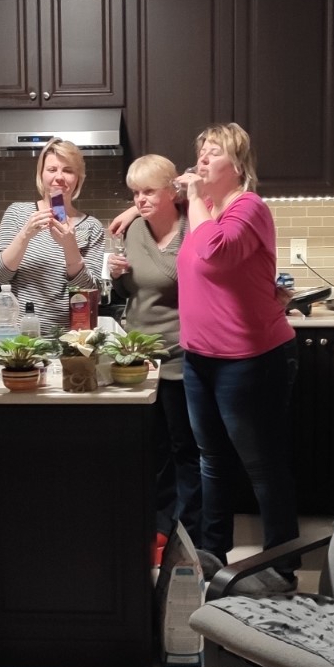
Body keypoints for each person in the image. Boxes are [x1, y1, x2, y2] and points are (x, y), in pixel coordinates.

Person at [174, 122, 299, 593]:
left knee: (262, 466)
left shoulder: (250, 208)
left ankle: (282, 564)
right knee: (211, 461)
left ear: (239, 165)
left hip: (249, 358)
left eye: (214, 152)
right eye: (201, 151)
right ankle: (214, 555)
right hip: (199, 358)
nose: (202, 159)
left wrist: (193, 199)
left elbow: (215, 253)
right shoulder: (205, 211)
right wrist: (133, 211)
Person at [107, 154, 200, 546]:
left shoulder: (193, 225)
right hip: (139, 358)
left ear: (171, 191)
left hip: (181, 355)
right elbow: (131, 292)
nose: (140, 200)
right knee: (153, 447)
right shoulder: (133, 230)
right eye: (135, 193)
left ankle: (190, 531)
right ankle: (161, 526)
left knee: (185, 448)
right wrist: (117, 276)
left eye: (148, 192)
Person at [0, 138, 106, 337]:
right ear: (41, 174)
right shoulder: (18, 213)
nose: (59, 177)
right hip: (18, 338)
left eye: (68, 170)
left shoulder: (91, 226)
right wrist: (25, 235)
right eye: (52, 169)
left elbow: (91, 294)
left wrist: (70, 247)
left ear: (78, 178)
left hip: (69, 339)